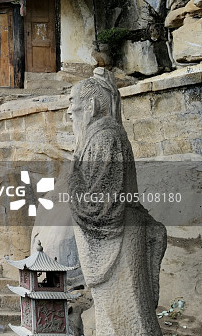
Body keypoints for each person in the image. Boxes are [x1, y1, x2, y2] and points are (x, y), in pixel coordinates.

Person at [67, 68, 166, 336]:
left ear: (91, 105)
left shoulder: (105, 137)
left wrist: (72, 180)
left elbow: (100, 203)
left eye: (72, 101)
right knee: (114, 316)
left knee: (128, 315)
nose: (68, 111)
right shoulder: (97, 136)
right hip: (119, 233)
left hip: (119, 236)